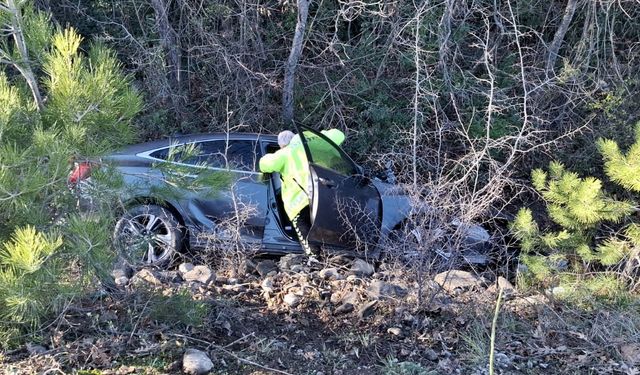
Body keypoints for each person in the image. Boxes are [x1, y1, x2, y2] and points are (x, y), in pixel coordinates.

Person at [259, 128, 345, 257]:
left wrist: (272, 154)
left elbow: (264, 164)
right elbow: (339, 135)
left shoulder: (285, 153)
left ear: (282, 145)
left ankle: (314, 258)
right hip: (324, 193)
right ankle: (336, 254)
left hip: (300, 200)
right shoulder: (313, 144)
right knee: (325, 225)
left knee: (304, 229)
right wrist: (320, 134)